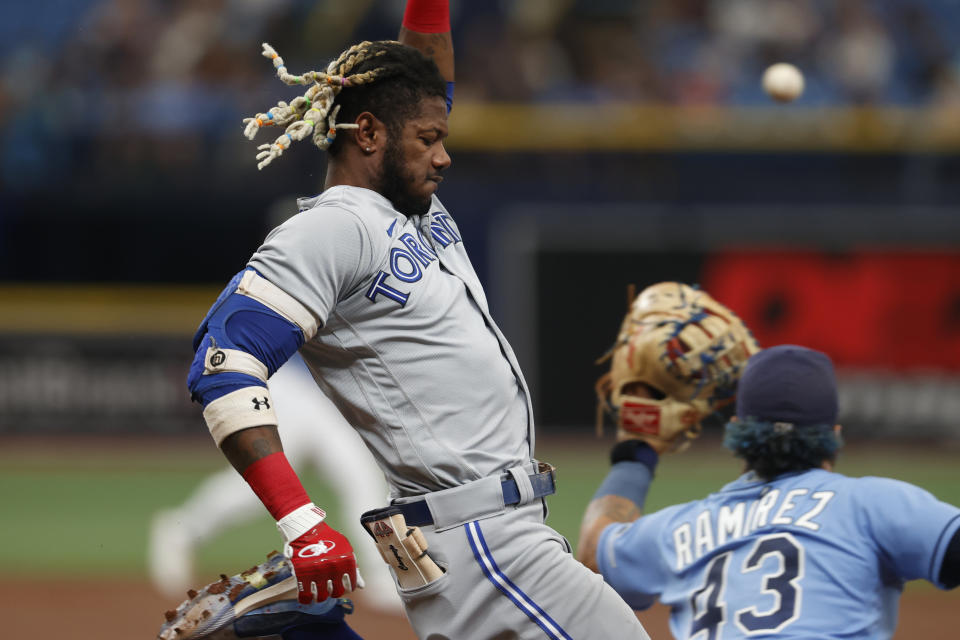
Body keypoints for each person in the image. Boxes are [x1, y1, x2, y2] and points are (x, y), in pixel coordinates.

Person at [162, 1, 652, 638]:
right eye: (430, 140)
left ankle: (310, 635)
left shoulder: (409, 206)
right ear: (368, 134)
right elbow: (221, 364)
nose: (444, 157)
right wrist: (303, 523)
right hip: (480, 535)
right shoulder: (330, 228)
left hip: (484, 531)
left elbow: (423, 76)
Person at [578, 343, 960, 639]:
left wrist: (636, 451)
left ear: (737, 432)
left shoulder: (679, 528)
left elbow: (593, 553)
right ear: (834, 437)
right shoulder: (871, 505)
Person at [148, 352, 401, 613]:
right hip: (291, 385)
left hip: (326, 389)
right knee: (260, 485)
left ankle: (384, 576)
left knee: (362, 480)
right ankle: (182, 529)